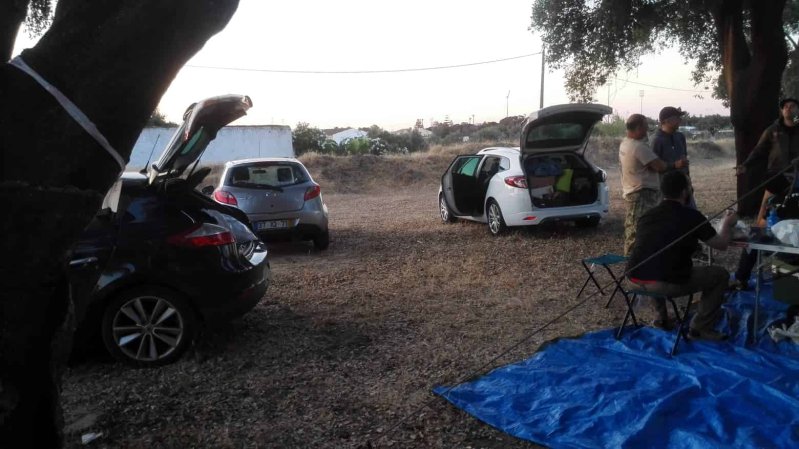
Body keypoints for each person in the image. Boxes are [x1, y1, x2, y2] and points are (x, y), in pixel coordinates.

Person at [626, 171, 738, 340]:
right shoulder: (692, 216)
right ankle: (700, 327)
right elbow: (721, 245)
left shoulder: (646, 216)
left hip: (633, 279)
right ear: (685, 191)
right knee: (720, 275)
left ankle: (661, 319)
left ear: (663, 191)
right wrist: (727, 224)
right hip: (662, 283)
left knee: (656, 264)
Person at [731, 98, 799, 289]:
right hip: (775, 182)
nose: (789, 109)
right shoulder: (773, 130)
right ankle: (741, 277)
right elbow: (759, 151)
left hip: (797, 182)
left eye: (793, 106)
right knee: (760, 227)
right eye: (785, 106)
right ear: (782, 111)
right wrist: (746, 165)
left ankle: (790, 277)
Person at [619, 113, 688, 256]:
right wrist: (676, 165)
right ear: (638, 128)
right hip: (641, 193)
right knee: (638, 228)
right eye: (645, 127)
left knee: (637, 226)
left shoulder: (625, 143)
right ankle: (632, 261)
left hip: (632, 190)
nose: (647, 130)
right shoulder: (639, 147)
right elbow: (659, 166)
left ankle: (639, 259)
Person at [652, 106, 696, 208]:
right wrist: (674, 165)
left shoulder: (680, 137)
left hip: (683, 189)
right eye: (677, 118)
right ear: (666, 121)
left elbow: (684, 163)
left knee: (691, 214)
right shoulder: (656, 140)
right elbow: (654, 167)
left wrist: (688, 183)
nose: (680, 120)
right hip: (666, 191)